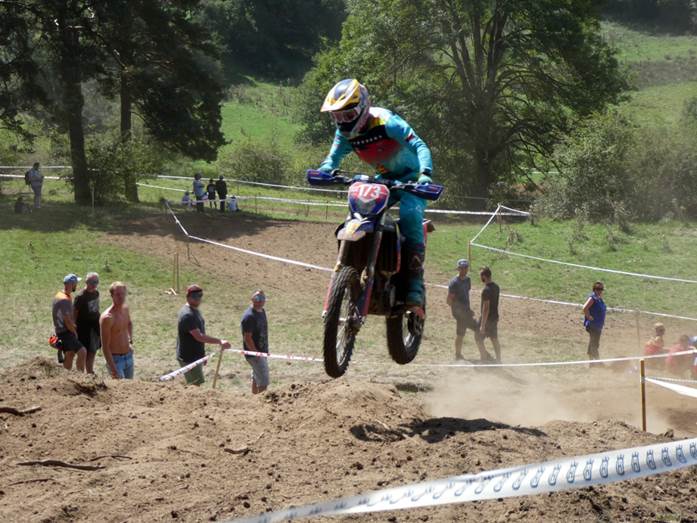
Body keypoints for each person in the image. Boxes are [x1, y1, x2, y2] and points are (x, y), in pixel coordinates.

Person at [317, 79, 433, 315]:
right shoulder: (345, 133)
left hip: (412, 179)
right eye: (336, 117)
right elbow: (333, 157)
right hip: (384, 179)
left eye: (348, 115)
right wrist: (325, 170)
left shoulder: (387, 122)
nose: (343, 122)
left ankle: (414, 284)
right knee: (361, 208)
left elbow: (420, 146)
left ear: (363, 107)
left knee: (410, 214)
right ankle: (356, 264)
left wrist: (425, 175)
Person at [176, 285, 231, 386]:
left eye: (200, 296)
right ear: (188, 297)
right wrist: (219, 341)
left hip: (194, 356)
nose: (198, 299)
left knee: (195, 385)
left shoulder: (194, 311)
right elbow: (199, 336)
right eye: (194, 297)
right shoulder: (188, 315)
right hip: (189, 358)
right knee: (195, 386)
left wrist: (201, 355)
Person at [52, 274, 87, 371]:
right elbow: (67, 320)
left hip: (60, 331)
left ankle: (66, 376)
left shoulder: (59, 295)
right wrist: (74, 332)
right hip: (65, 332)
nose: (76, 285)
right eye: (75, 283)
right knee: (82, 352)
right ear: (71, 284)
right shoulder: (65, 300)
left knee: (70, 354)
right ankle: (81, 377)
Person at [99, 282, 134, 379]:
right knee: (120, 387)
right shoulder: (107, 318)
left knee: (131, 386)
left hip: (128, 356)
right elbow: (105, 347)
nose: (121, 297)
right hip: (116, 360)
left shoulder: (125, 309)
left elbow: (129, 323)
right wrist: (113, 369)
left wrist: (130, 340)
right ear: (112, 296)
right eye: (118, 294)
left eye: (123, 293)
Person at [447, 259, 477, 360]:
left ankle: (458, 354)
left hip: (466, 312)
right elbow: (449, 300)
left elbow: (466, 294)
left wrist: (468, 309)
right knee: (462, 334)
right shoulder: (454, 282)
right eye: (462, 268)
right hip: (460, 314)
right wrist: (458, 312)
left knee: (473, 330)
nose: (464, 270)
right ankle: (458, 354)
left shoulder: (468, 280)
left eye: (466, 268)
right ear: (458, 269)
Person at [241, 290, 270, 394]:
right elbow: (247, 338)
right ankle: (261, 401)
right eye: (257, 299)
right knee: (263, 381)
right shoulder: (249, 317)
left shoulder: (262, 311)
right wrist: (256, 353)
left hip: (261, 352)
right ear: (252, 299)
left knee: (256, 377)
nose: (260, 301)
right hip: (254, 353)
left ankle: (254, 398)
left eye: (262, 298)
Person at [74, 272, 101, 374]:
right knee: (84, 352)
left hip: (95, 327)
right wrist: (74, 327)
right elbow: (74, 313)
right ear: (86, 282)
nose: (94, 284)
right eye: (92, 282)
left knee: (93, 350)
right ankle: (80, 374)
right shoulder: (81, 296)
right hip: (84, 328)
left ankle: (90, 372)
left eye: (96, 282)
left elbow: (96, 308)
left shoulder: (96, 293)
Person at [475, 267, 501, 363]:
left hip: (487, 319)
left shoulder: (486, 290)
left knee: (478, 338)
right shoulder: (497, 287)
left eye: (480, 276)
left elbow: (486, 308)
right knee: (494, 339)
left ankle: (484, 359)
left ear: (484, 276)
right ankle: (498, 360)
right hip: (494, 317)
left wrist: (482, 325)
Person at [582, 281, 607, 365]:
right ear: (594, 289)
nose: (599, 290)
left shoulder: (599, 299)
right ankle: (598, 362)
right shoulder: (592, 298)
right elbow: (585, 308)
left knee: (593, 343)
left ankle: (591, 362)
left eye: (601, 289)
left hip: (598, 325)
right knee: (594, 344)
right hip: (593, 325)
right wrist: (589, 316)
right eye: (597, 289)